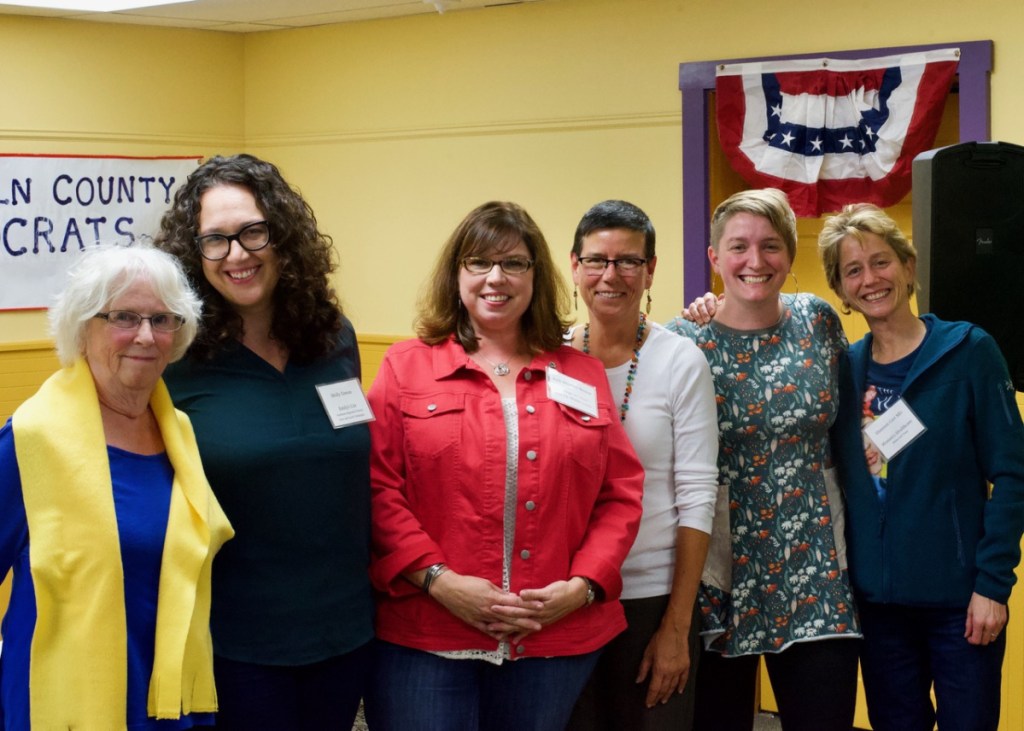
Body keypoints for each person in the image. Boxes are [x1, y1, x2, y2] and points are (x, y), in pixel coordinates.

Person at [365, 200, 645, 731]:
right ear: (457, 275)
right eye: (478, 262)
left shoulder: (580, 372)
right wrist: (439, 581)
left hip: (551, 635)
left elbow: (620, 492)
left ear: (536, 276)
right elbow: (379, 487)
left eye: (514, 263)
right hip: (428, 631)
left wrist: (583, 586)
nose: (496, 278)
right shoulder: (406, 366)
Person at [155, 154, 374, 730]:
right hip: (236, 639)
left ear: (283, 237)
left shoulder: (334, 337)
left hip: (346, 627)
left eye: (253, 231)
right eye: (215, 240)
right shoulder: (174, 357)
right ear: (192, 252)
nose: (237, 254)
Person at [0, 244, 234, 730]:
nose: (146, 336)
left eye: (163, 319)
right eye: (124, 316)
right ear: (82, 329)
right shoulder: (30, 441)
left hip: (172, 704)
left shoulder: (181, 435)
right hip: (64, 709)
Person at [818, 203, 1024, 731]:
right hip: (879, 609)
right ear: (841, 291)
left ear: (909, 268)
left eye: (881, 261)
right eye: (853, 270)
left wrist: (993, 586)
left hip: (961, 604)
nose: (871, 279)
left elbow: (1012, 473)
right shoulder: (844, 370)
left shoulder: (970, 351)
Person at [668, 188, 861, 731]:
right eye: (739, 247)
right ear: (714, 258)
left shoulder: (819, 321)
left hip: (815, 566)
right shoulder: (685, 339)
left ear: (790, 254)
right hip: (721, 570)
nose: (756, 261)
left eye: (771, 246)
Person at [564, 200, 719, 730]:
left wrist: (677, 626)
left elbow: (698, 497)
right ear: (574, 266)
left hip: (650, 599)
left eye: (628, 261)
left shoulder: (680, 361)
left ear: (650, 270)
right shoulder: (549, 356)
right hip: (564, 597)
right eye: (597, 260)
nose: (611, 275)